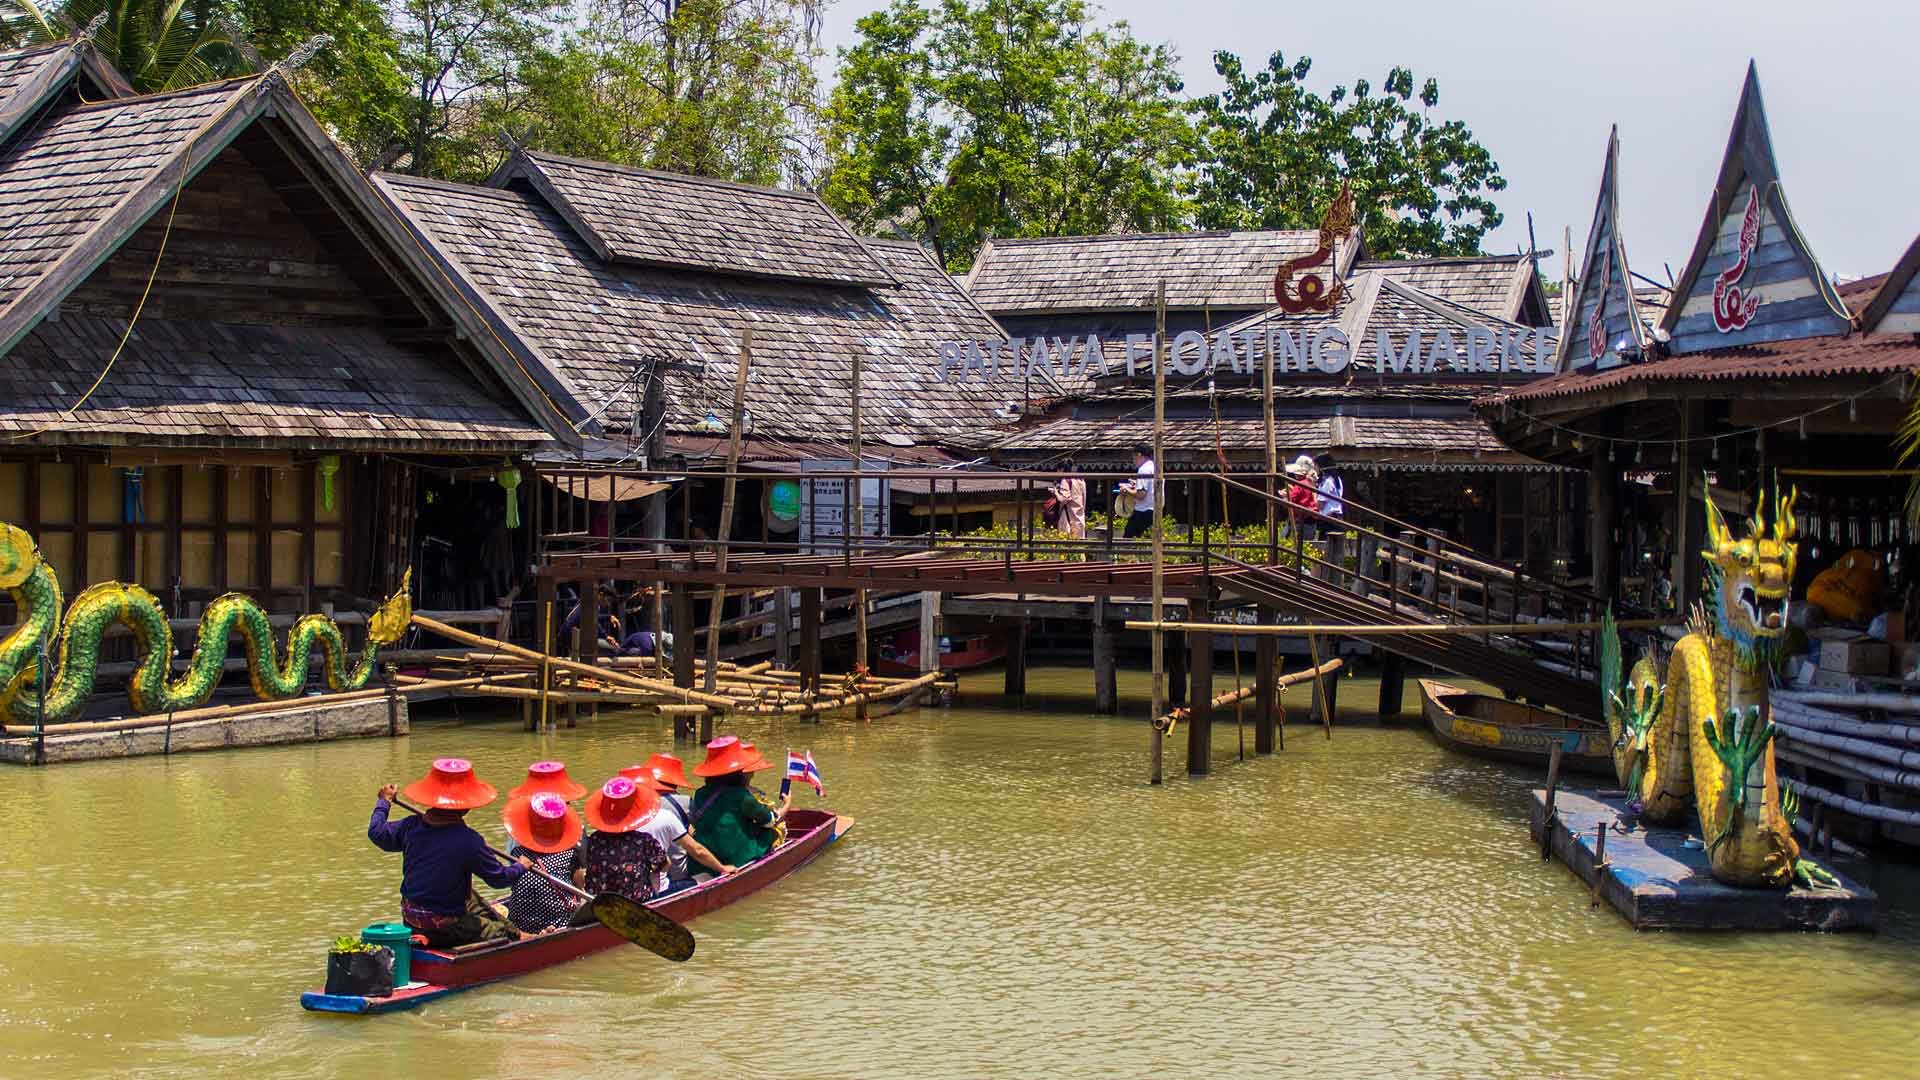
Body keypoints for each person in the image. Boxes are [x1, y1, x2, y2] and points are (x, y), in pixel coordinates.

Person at [366, 758, 530, 948]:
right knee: (495, 931)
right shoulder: (469, 840)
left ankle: (518, 933)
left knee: (475, 900)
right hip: (445, 925)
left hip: (411, 918)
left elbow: (376, 832)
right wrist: (520, 866)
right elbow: (499, 879)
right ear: (466, 806)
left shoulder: (411, 826)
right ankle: (516, 936)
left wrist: (383, 802)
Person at [621, 753, 735, 892]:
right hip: (674, 872)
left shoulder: (620, 818)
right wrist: (722, 868)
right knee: (706, 874)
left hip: (632, 877)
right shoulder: (681, 805)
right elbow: (697, 847)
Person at [688, 736, 788, 869]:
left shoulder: (700, 793)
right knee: (775, 830)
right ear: (737, 773)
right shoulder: (741, 796)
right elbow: (769, 820)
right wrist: (787, 804)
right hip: (734, 857)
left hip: (706, 859)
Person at [501, 792, 585, 934]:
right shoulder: (569, 853)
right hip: (559, 921)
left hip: (518, 924)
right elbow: (580, 885)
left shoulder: (517, 853)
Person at [579, 775, 668, 902]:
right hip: (634, 902)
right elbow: (663, 865)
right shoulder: (644, 841)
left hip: (599, 903)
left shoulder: (594, 838)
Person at [1122, 443, 1158, 539]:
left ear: (1139, 455)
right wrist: (1136, 484)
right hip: (1154, 509)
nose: (1133, 460)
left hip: (1143, 510)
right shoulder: (1154, 467)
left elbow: (1141, 495)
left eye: (1134, 457)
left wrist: (1126, 489)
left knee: (1129, 537)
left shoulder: (1143, 470)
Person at [1047, 465, 1087, 540]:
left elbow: (1064, 499)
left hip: (1068, 514)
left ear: (1062, 469)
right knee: (1080, 541)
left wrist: (1056, 492)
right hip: (1079, 514)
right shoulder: (1081, 480)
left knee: (1066, 540)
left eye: (1058, 470)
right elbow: (1084, 498)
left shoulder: (1065, 480)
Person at [1285, 454, 1320, 538]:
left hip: (1301, 521)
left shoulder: (1300, 485)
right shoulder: (1311, 483)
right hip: (1311, 521)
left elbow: (1290, 501)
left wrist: (1285, 495)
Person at [1314, 454, 1345, 529]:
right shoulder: (1337, 479)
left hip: (1329, 519)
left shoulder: (1327, 481)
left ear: (1322, 467)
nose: (1315, 468)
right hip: (1337, 516)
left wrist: (1313, 490)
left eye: (1316, 465)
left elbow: (1320, 505)